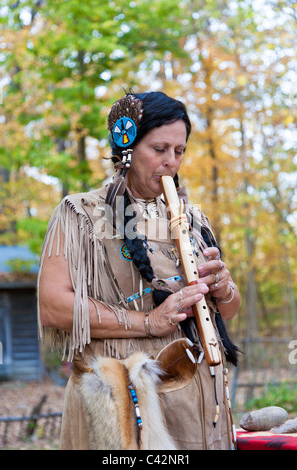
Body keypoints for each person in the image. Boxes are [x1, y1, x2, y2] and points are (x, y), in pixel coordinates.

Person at [37, 91, 241, 450]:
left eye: (179, 151)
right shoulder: (81, 214)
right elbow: (53, 307)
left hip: (197, 409)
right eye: (159, 149)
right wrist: (148, 322)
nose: (171, 162)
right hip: (121, 410)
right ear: (126, 149)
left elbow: (225, 314)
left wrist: (224, 290)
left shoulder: (193, 218)